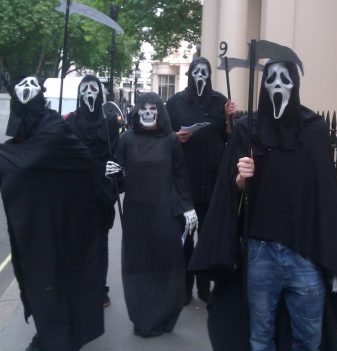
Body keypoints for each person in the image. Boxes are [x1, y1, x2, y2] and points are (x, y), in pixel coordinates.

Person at [189, 59, 337, 351]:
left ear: (295, 85)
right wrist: (240, 177)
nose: (277, 84)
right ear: (263, 86)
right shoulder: (247, 129)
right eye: (271, 78)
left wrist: (334, 257)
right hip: (260, 250)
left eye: (285, 79)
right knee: (260, 335)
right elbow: (229, 193)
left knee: (308, 338)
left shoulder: (313, 129)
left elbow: (326, 195)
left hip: (304, 252)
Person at [0, 76, 103, 351]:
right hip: (35, 221)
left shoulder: (55, 129)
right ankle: (48, 334)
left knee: (55, 280)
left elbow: (26, 162)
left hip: (64, 220)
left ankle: (55, 340)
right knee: (39, 282)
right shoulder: (31, 133)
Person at [106, 92, 198, 337]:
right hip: (137, 215)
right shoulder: (126, 140)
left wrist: (188, 208)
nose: (148, 113)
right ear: (138, 111)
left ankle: (166, 316)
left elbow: (181, 178)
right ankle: (143, 317)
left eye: (153, 109)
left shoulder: (171, 141)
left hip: (165, 215)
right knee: (138, 266)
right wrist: (114, 173)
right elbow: (120, 181)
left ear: (159, 112)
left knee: (166, 265)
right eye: (144, 109)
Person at [166, 56, 236, 304]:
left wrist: (230, 118)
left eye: (204, 72)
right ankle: (185, 287)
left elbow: (230, 137)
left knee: (207, 236)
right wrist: (176, 136)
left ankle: (204, 286)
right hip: (185, 179)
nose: (200, 76)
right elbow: (164, 137)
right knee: (185, 236)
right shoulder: (175, 103)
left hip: (212, 178)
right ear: (189, 74)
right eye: (196, 71)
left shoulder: (220, 102)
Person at [65, 74, 119, 307]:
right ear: (79, 92)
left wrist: (115, 168)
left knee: (99, 242)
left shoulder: (109, 122)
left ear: (99, 92)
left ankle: (99, 288)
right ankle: (80, 286)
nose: (89, 91)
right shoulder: (71, 122)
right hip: (78, 190)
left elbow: (115, 154)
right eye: (85, 87)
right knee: (78, 240)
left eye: (93, 87)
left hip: (102, 190)